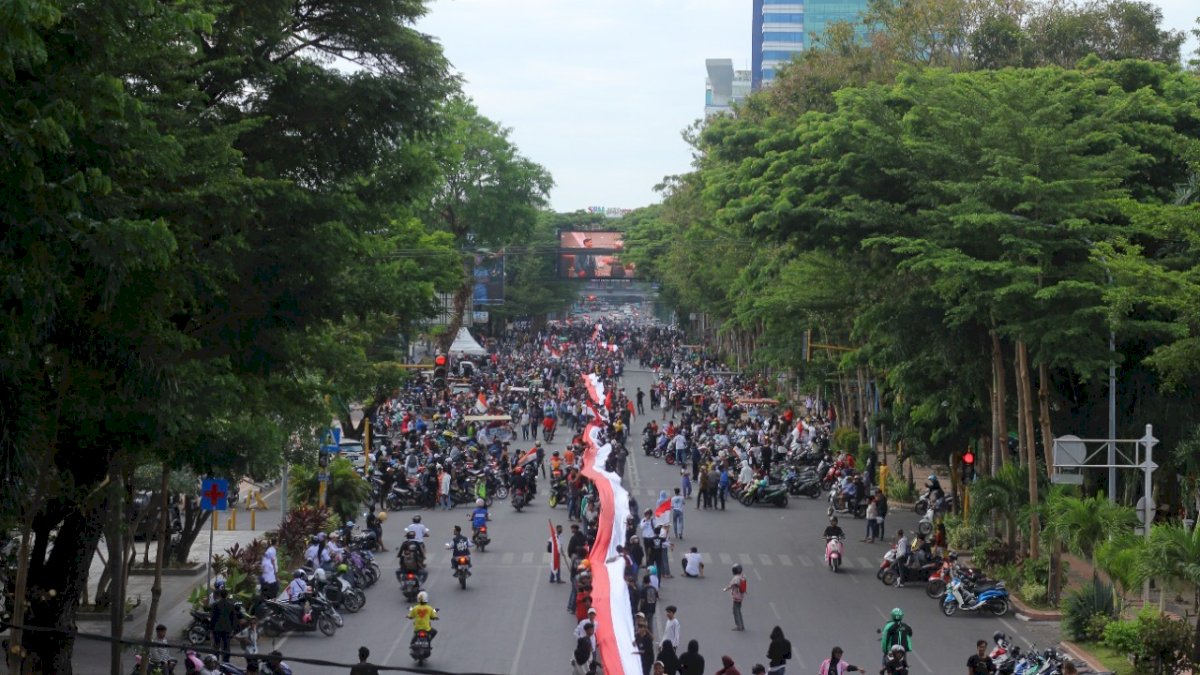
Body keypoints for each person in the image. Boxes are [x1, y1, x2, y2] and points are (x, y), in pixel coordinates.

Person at [209, 588, 241, 663]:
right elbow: (233, 618)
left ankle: (215, 660)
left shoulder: (215, 605)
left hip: (217, 628)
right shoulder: (231, 605)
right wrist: (233, 629)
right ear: (227, 595)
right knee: (226, 646)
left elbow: (213, 617)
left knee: (216, 645)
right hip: (227, 628)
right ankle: (226, 661)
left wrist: (211, 629)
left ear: (220, 595)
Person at [722, 564, 747, 631]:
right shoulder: (742, 576)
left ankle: (739, 626)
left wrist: (725, 589)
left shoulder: (736, 578)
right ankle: (741, 625)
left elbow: (732, 585)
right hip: (741, 596)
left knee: (736, 611)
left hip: (737, 597)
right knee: (738, 610)